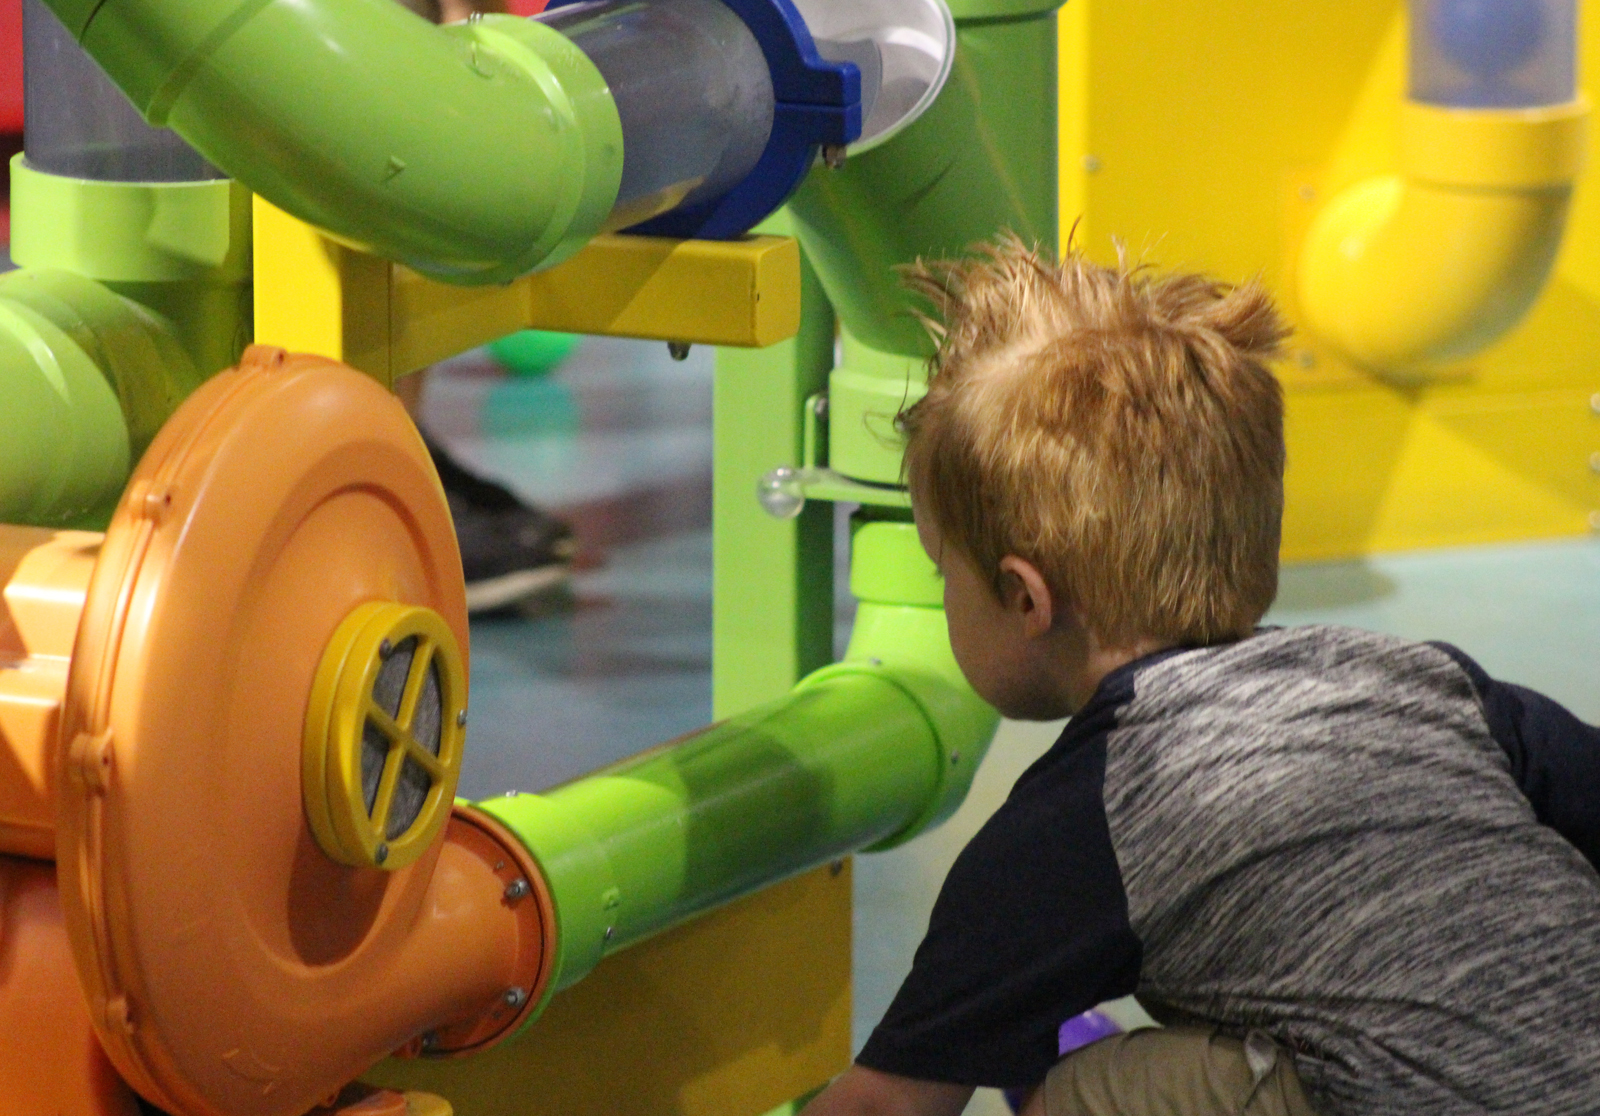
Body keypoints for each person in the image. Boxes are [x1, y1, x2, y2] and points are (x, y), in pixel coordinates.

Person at [803, 237, 1600, 1116]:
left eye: (939, 565)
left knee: (1090, 1093)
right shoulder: (1423, 681)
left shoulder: (1085, 819)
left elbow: (887, 1105)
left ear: (1025, 597)